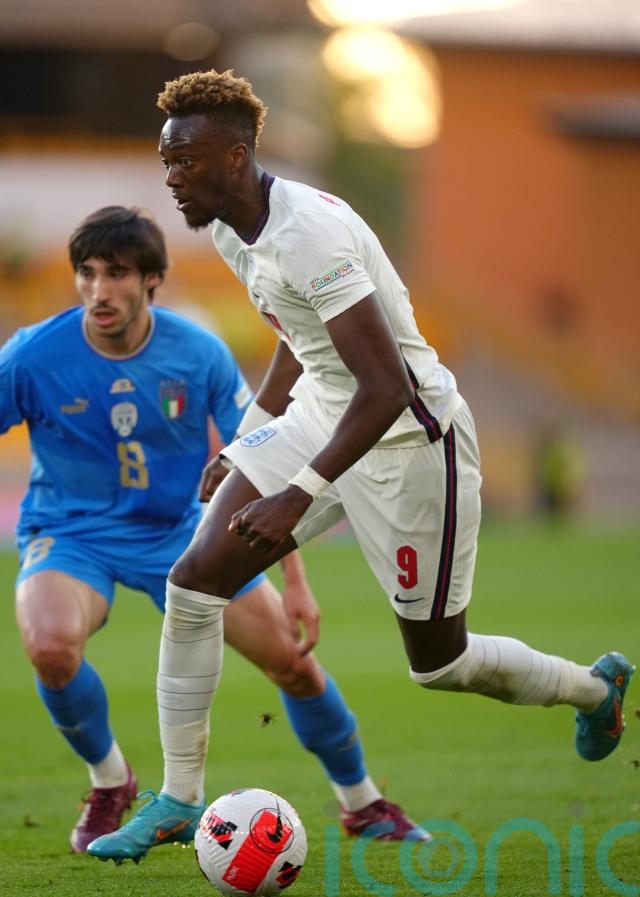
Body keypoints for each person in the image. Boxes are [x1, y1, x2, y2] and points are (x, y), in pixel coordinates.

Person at [88, 70, 634, 863]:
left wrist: (298, 493)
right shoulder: (231, 225)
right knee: (195, 580)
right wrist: (249, 438)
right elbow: (298, 336)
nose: (171, 178)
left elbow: (388, 386)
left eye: (186, 162)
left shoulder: (308, 232)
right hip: (326, 412)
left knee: (440, 664)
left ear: (236, 158)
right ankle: (178, 797)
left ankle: (593, 688)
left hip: (409, 440)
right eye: (166, 161)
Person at [0, 205, 429, 854]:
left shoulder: (198, 353)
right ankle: (111, 781)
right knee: (51, 647)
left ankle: (362, 802)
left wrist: (295, 580)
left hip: (179, 531)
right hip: (71, 533)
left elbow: (264, 456)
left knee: (293, 663)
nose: (98, 290)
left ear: (152, 279)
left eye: (116, 273)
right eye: (86, 273)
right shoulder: (32, 356)